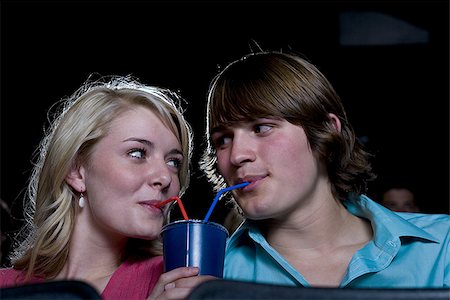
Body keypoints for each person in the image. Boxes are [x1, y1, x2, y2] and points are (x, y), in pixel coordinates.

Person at [199, 50, 450, 288]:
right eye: (223, 139)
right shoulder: (210, 275)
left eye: (261, 128)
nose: (237, 155)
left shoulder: (443, 246)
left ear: (328, 132)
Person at [0, 75, 214, 299]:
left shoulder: (179, 282)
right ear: (76, 171)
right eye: (138, 153)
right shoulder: (6, 288)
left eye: (173, 162)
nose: (165, 177)